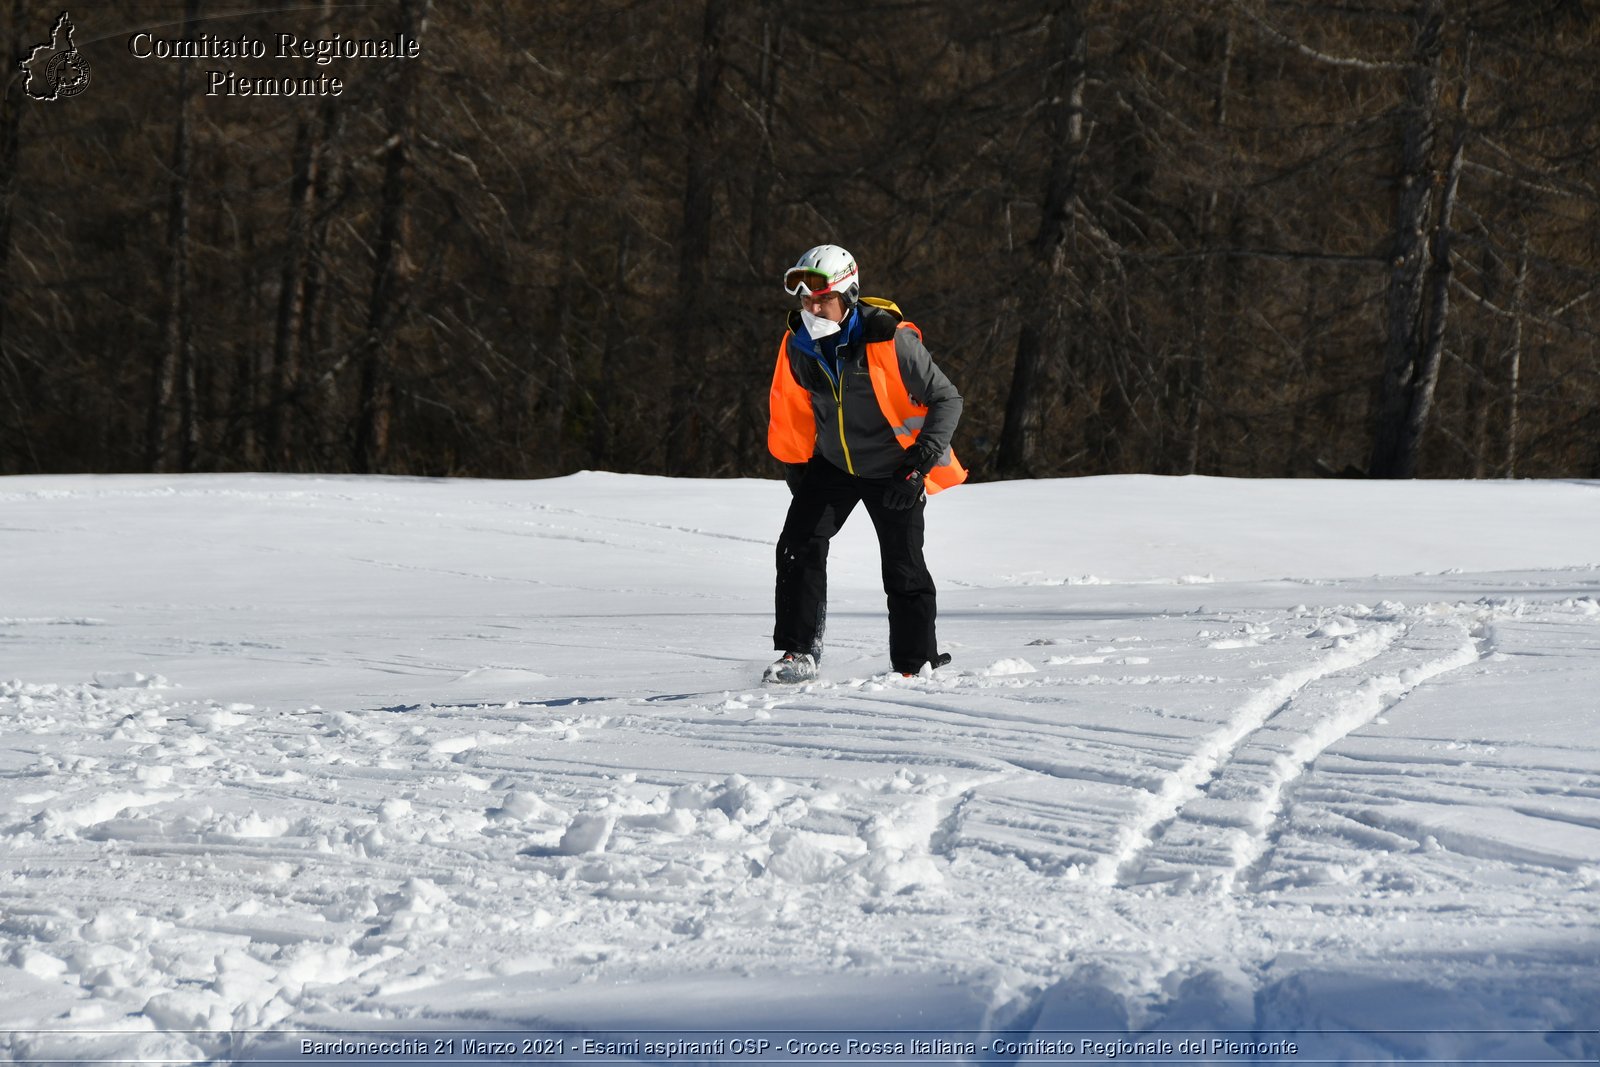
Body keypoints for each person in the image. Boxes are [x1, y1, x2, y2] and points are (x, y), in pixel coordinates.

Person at [764, 244, 966, 684]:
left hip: (897, 466)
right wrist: (795, 465)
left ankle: (915, 664)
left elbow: (947, 399)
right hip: (833, 465)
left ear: (849, 295)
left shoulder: (891, 339)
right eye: (806, 299)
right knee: (798, 546)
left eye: (823, 299)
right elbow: (790, 405)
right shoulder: (797, 341)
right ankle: (799, 654)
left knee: (903, 565)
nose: (813, 307)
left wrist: (918, 464)